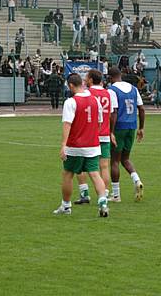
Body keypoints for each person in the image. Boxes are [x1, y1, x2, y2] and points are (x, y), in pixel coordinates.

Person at [53, 73, 109, 217]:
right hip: (93, 145)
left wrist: (63, 145)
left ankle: (66, 206)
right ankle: (103, 203)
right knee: (95, 174)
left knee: (68, 174)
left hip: (75, 146)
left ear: (71, 86)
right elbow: (99, 122)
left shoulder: (71, 102)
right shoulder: (95, 101)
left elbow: (67, 124)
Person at [74, 69, 116, 204]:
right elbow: (110, 114)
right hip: (104, 133)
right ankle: (105, 193)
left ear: (91, 80)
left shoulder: (87, 93)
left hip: (89, 134)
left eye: (86, 77)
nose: (85, 79)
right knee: (104, 166)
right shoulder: (108, 93)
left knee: (79, 164)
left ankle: (84, 193)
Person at [108, 67, 145, 202]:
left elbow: (114, 112)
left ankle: (116, 195)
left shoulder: (112, 90)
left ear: (110, 78)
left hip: (119, 127)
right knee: (125, 159)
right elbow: (141, 108)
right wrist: (141, 128)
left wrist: (111, 132)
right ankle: (137, 180)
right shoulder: (133, 89)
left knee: (115, 161)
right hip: (132, 126)